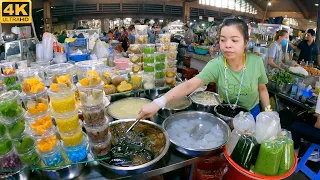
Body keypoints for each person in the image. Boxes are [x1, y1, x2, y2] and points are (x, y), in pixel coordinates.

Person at [137, 17, 270, 120]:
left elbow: (262, 89)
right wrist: (158, 102)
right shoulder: (217, 64)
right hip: (226, 114)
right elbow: (190, 85)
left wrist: (269, 114)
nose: (227, 45)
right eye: (223, 40)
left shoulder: (256, 62)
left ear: (246, 43)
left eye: (234, 40)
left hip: (252, 113)